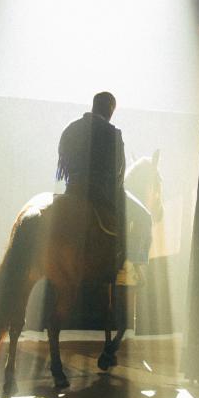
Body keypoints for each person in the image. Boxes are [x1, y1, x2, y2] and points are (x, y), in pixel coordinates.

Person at [56, 91, 127, 270]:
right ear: (110, 110)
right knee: (127, 219)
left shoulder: (70, 129)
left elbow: (62, 162)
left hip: (71, 189)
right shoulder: (113, 134)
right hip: (99, 194)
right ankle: (118, 266)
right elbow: (119, 173)